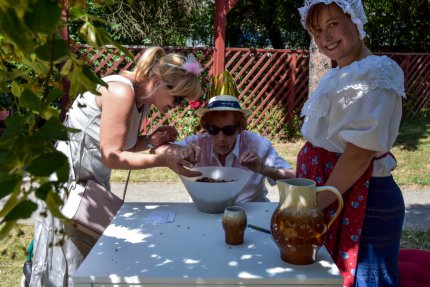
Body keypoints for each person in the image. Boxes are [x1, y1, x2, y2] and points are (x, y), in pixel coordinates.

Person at [30, 46, 203, 287]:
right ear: (157, 82)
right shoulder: (121, 92)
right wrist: (162, 159)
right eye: (178, 99)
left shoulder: (141, 100)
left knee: (87, 263)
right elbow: (112, 156)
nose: (177, 107)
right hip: (67, 186)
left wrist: (151, 141)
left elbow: (118, 144)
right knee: (65, 266)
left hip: (88, 186)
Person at [297, 1, 405, 286]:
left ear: (356, 20)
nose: (325, 38)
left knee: (362, 280)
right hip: (334, 193)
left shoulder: (376, 71)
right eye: (317, 31)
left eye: (333, 24)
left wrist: (315, 205)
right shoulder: (336, 75)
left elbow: (359, 153)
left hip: (360, 194)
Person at [153, 72, 295, 203]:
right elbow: (154, 151)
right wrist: (179, 152)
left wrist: (263, 168)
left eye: (228, 130)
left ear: (240, 127)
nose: (220, 138)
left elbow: (297, 178)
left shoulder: (257, 145)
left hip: (248, 213)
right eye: (213, 129)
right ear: (206, 127)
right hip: (206, 211)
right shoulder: (198, 143)